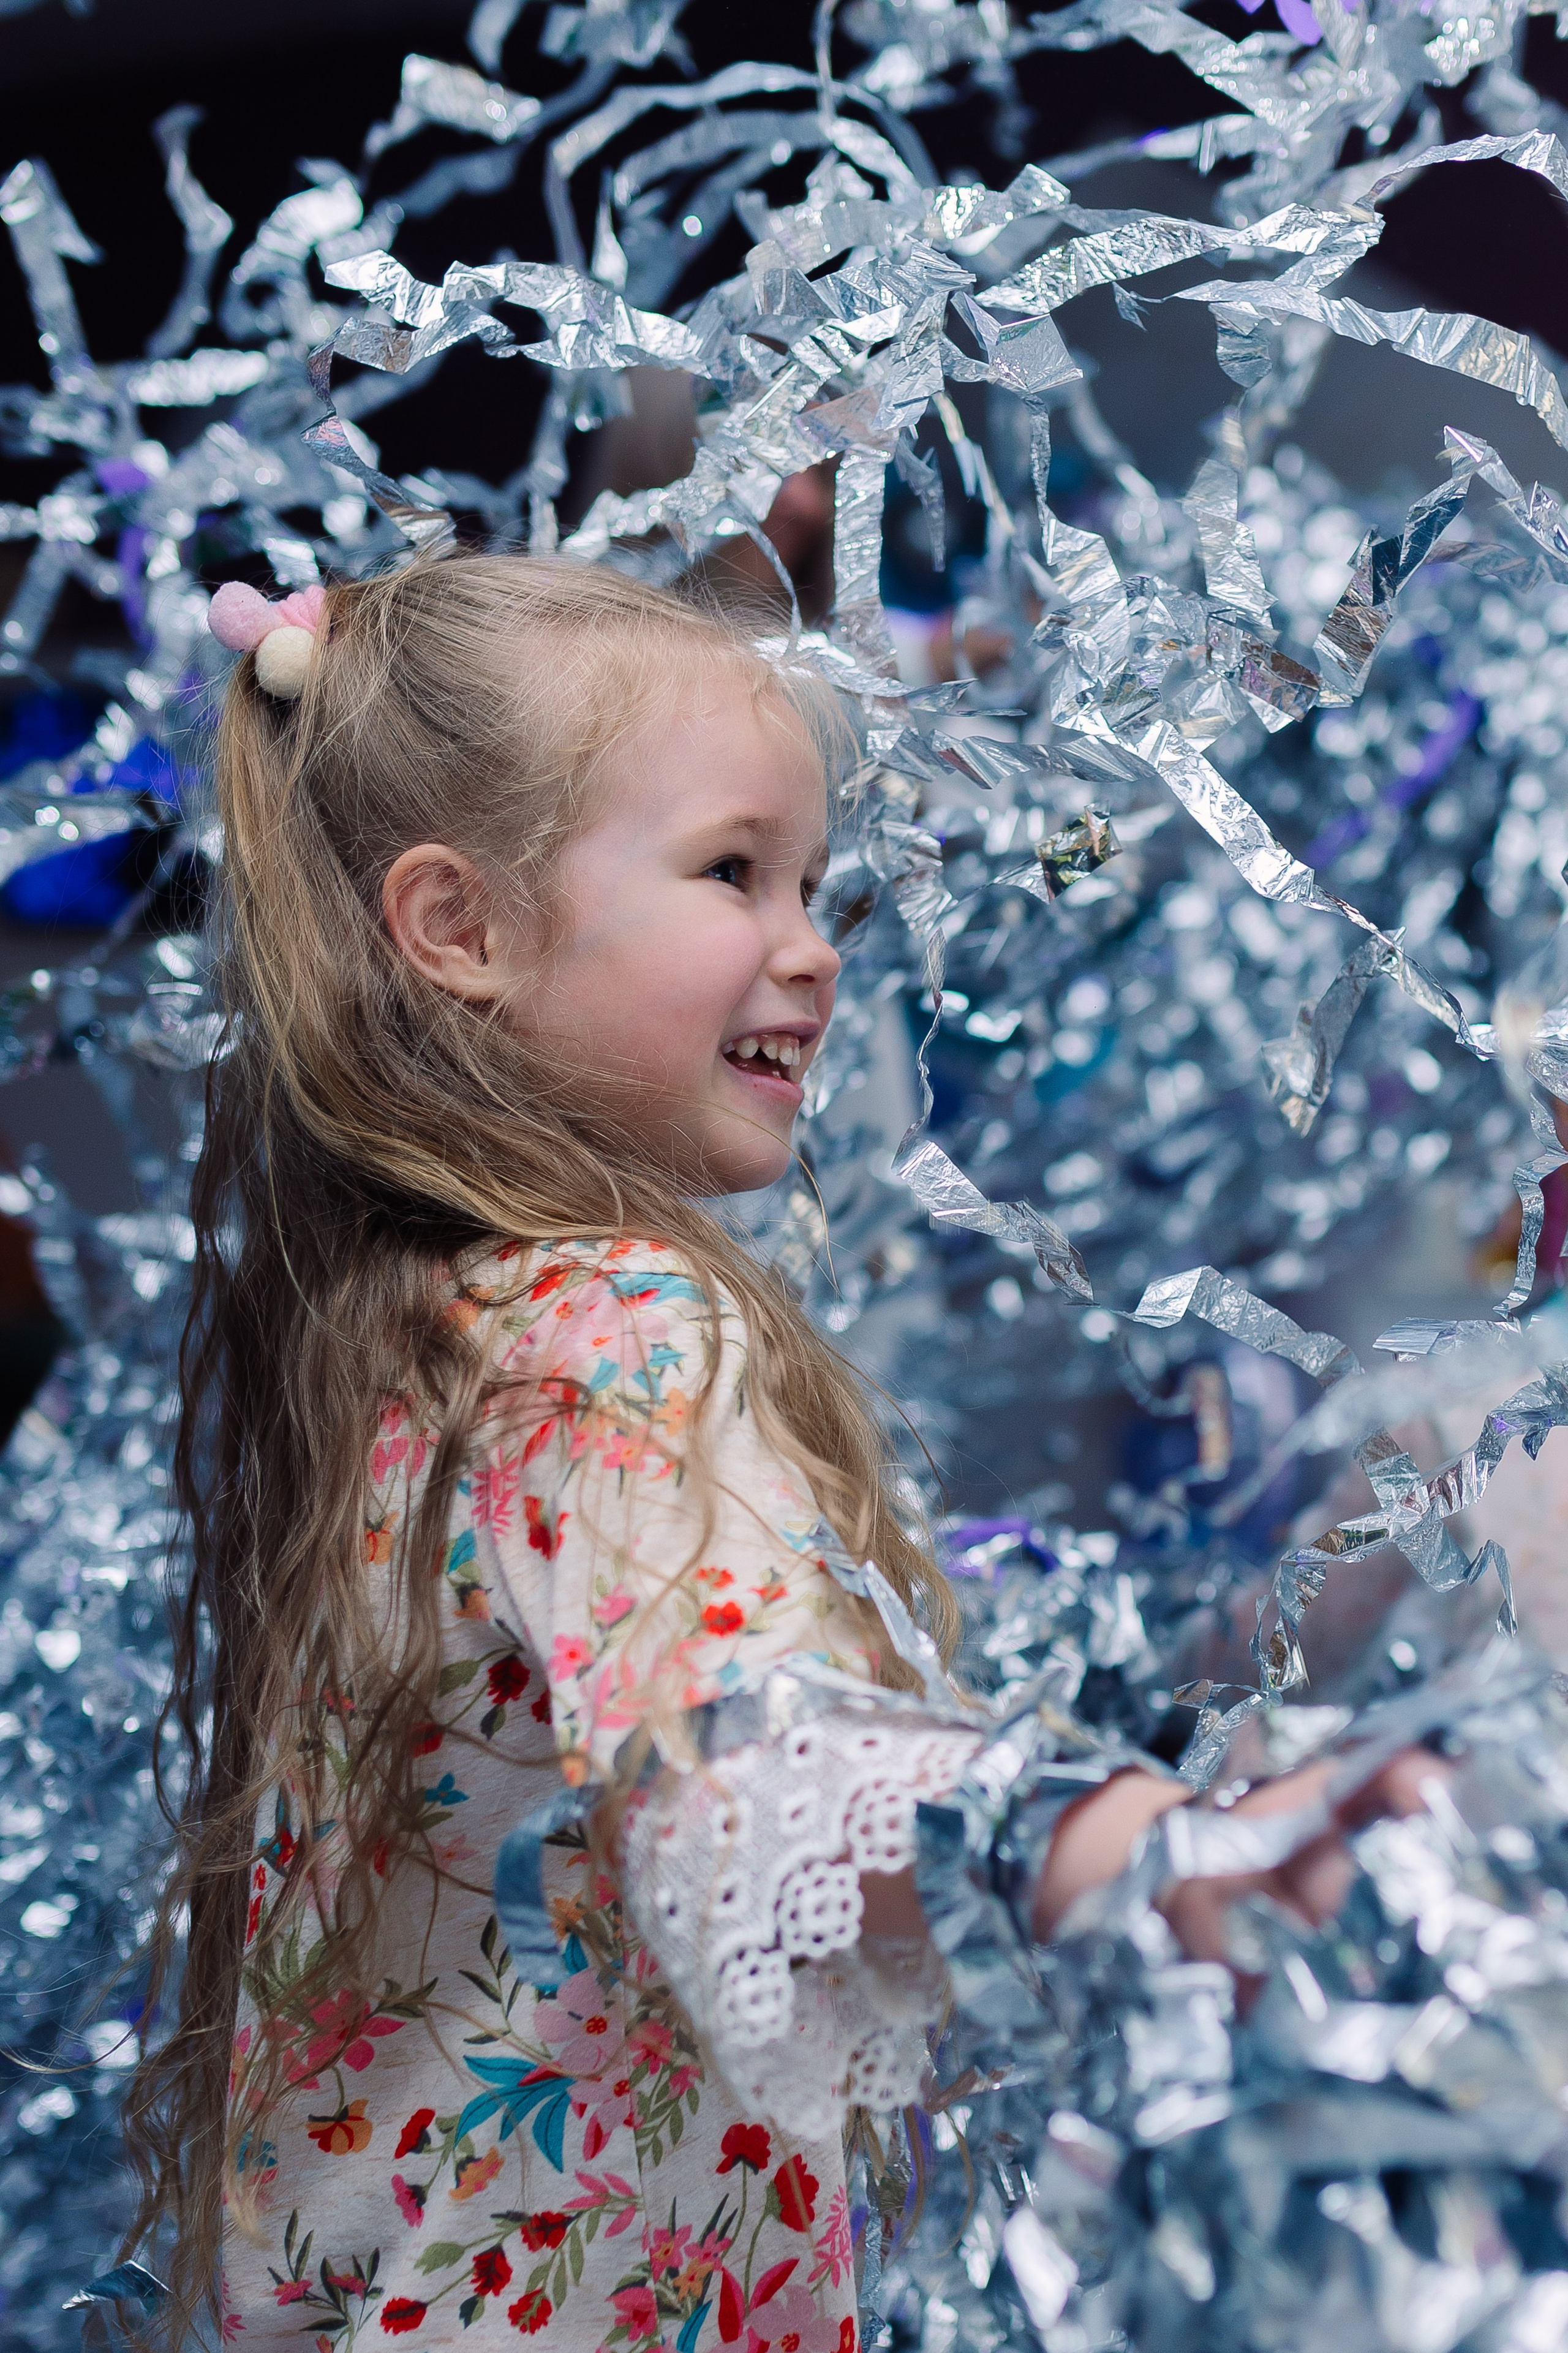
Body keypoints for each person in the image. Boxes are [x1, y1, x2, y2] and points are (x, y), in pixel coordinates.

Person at [119, 556, 1439, 2351]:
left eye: (813, 882)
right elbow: (747, 1758)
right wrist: (1109, 1852)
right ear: (459, 926)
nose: (814, 943)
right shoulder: (608, 1325)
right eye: (733, 871)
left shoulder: (403, 1321)